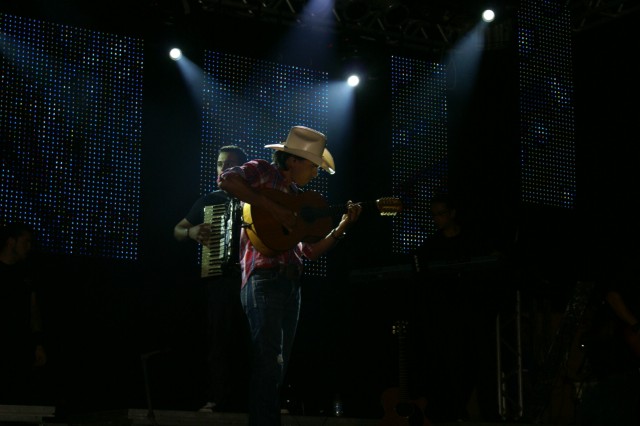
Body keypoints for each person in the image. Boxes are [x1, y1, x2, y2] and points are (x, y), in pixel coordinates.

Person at [218, 125, 362, 426]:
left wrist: (343, 226)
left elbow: (307, 252)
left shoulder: (301, 199)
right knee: (268, 361)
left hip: (291, 284)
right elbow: (228, 180)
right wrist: (271, 206)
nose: (315, 173)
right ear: (294, 160)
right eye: (313, 166)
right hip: (263, 278)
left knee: (278, 366)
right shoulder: (262, 172)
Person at [173, 145, 250, 412]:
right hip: (220, 278)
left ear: (242, 168)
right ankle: (218, 397)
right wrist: (192, 230)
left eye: (229, 164)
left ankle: (260, 399)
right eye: (219, 164)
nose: (222, 168)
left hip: (253, 278)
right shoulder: (210, 201)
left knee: (254, 340)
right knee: (219, 339)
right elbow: (177, 229)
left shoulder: (257, 199)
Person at [412, 193, 501, 422]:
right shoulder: (431, 247)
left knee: (482, 365)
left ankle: (488, 413)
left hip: (475, 315)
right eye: (434, 215)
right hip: (447, 319)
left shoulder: (473, 240)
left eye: (441, 214)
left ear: (452, 213)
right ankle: (454, 412)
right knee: (452, 368)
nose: (437, 219)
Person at [577, 248, 640, 426]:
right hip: (616, 360)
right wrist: (636, 326)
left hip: (623, 365)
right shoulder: (628, 270)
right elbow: (612, 296)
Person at [0, 222, 48, 405]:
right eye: (25, 242)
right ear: (11, 242)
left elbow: (33, 311)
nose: (29, 247)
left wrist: (38, 343)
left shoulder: (26, 274)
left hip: (19, 347)